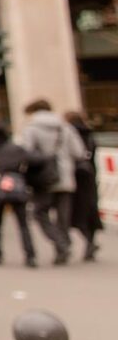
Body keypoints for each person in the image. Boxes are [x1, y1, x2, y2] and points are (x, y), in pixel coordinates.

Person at [19, 99, 83, 265]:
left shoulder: (31, 129)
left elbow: (26, 152)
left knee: (40, 213)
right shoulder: (65, 127)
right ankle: (63, 245)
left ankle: (60, 244)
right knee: (63, 216)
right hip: (65, 176)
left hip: (42, 178)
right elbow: (78, 152)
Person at [0, 121, 38, 267]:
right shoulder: (15, 149)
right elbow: (34, 159)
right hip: (16, 187)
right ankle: (30, 255)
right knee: (23, 224)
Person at [65, 111, 104, 261]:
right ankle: (90, 242)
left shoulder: (69, 134)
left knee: (77, 213)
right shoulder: (89, 134)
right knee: (90, 211)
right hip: (89, 177)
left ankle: (88, 242)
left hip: (75, 178)